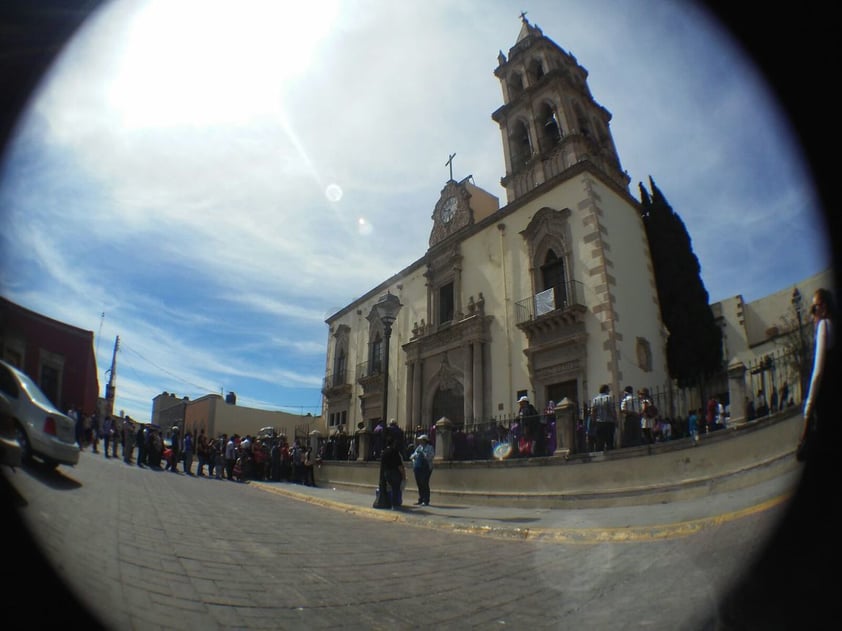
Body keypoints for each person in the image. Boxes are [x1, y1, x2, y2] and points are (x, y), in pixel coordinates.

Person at [798, 288, 836, 462]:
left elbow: (818, 372)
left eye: (814, 309)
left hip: (825, 404)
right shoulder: (833, 326)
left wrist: (808, 412)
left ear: (824, 308)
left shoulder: (823, 326)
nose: (812, 315)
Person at [376, 434, 405, 509]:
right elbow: (399, 466)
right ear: (393, 443)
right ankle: (395, 505)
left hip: (387, 473)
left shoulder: (384, 452)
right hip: (394, 472)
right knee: (396, 488)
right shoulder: (394, 452)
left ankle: (390, 503)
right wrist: (403, 476)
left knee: (390, 488)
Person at [409, 434, 434, 506]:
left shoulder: (430, 448)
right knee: (419, 483)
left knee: (424, 483)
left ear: (425, 440)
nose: (419, 441)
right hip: (418, 467)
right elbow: (412, 456)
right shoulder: (419, 447)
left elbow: (431, 457)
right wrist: (414, 457)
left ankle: (426, 500)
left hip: (426, 468)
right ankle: (421, 498)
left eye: (421, 440)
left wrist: (423, 454)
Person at [591, 384, 617, 450]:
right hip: (609, 422)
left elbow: (593, 411)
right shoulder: (609, 397)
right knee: (610, 441)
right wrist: (615, 419)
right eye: (608, 390)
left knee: (600, 441)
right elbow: (611, 410)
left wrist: (593, 421)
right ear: (606, 390)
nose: (609, 391)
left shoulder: (595, 400)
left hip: (599, 422)